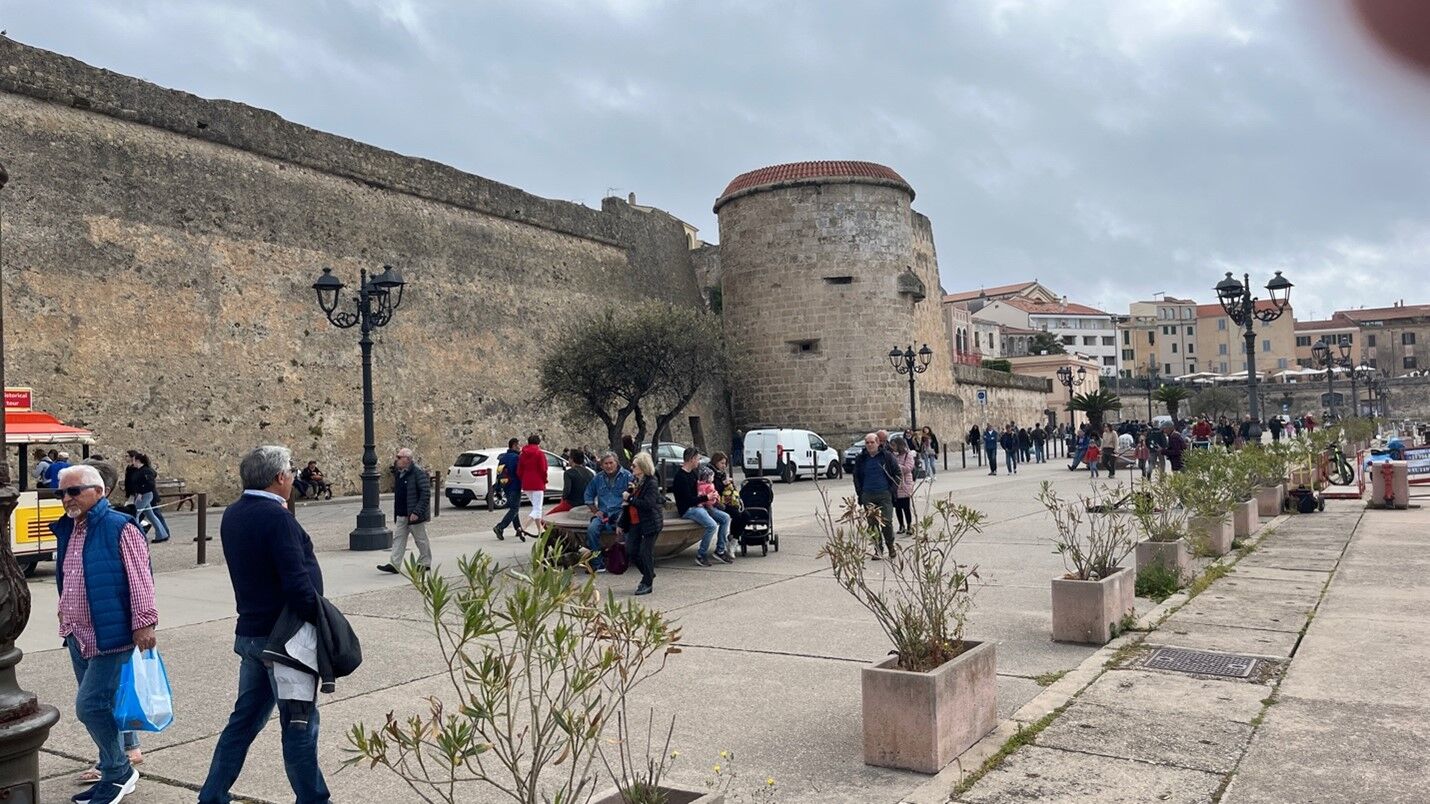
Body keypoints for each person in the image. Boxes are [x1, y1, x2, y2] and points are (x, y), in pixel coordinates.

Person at [200, 446, 330, 804]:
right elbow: (297, 583)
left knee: (244, 720)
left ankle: (212, 794)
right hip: (285, 639)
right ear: (279, 477)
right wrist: (319, 618)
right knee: (299, 725)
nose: (294, 476)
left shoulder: (234, 513)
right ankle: (314, 799)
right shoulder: (277, 518)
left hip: (252, 632)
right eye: (291, 470)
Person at [52, 464, 156, 804]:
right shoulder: (69, 528)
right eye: (61, 492)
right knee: (102, 706)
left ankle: (118, 771)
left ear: (99, 492)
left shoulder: (119, 526)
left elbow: (140, 576)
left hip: (110, 633)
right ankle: (112, 770)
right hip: (77, 634)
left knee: (90, 706)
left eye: (74, 491)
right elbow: (71, 574)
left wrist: (144, 622)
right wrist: (64, 610)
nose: (67, 498)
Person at [674, 447, 732, 566]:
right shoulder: (680, 477)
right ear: (691, 459)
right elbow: (688, 500)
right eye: (697, 459)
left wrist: (712, 496)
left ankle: (720, 550)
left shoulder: (693, 473)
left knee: (725, 518)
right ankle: (701, 554)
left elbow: (701, 490)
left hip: (701, 506)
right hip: (689, 509)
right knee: (711, 525)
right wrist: (707, 497)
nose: (699, 461)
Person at [377, 448, 431, 575]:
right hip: (402, 513)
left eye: (399, 457)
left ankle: (425, 562)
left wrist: (417, 512)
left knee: (421, 539)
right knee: (399, 538)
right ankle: (394, 564)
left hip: (414, 514)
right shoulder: (400, 473)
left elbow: (425, 493)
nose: (396, 460)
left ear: (407, 459)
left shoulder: (418, 472)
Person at [616, 452, 662, 595]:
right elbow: (627, 507)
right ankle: (649, 573)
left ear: (642, 467)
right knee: (631, 551)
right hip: (635, 522)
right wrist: (621, 524)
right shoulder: (635, 482)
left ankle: (647, 582)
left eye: (634, 466)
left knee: (645, 552)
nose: (632, 467)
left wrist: (630, 498)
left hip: (650, 522)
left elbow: (648, 504)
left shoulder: (651, 483)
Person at [584, 452, 633, 573]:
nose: (609, 466)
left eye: (611, 463)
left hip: (621, 512)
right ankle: (598, 563)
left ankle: (625, 559)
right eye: (606, 463)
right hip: (604, 513)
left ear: (616, 463)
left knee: (625, 528)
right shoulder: (597, 478)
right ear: (601, 465)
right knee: (592, 529)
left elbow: (634, 495)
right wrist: (595, 511)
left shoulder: (627, 476)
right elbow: (588, 495)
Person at [852, 433, 899, 557]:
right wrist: (860, 492)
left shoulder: (887, 456)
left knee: (886, 522)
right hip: (868, 494)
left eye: (872, 442)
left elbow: (897, 473)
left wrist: (892, 490)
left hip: (884, 494)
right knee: (872, 524)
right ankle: (878, 549)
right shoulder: (861, 458)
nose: (869, 445)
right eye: (867, 443)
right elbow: (856, 476)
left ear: (878, 443)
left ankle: (890, 546)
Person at [124, 451, 171, 544]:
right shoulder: (138, 470)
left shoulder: (146, 471)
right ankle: (162, 534)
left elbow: (150, 485)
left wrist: (141, 492)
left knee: (135, 514)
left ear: (138, 461)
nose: (133, 462)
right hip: (141, 494)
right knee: (151, 515)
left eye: (134, 460)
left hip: (145, 495)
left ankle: (136, 537)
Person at [492, 438, 525, 542]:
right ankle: (500, 527)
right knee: (514, 508)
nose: (520, 447)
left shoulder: (503, 458)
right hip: (514, 485)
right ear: (514, 445)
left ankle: (518, 528)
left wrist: (498, 487)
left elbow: (499, 472)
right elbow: (519, 472)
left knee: (513, 507)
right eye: (518, 445)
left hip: (505, 485)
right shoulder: (516, 457)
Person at [708, 452, 746, 542]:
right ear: (715, 462)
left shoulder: (721, 473)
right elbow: (713, 489)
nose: (724, 466)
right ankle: (731, 539)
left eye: (725, 463)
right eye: (722, 463)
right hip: (716, 503)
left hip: (726, 500)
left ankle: (734, 537)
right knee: (736, 514)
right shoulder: (710, 473)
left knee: (745, 515)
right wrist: (724, 484)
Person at [546, 449, 594, 517]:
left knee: (548, 517)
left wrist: (563, 498)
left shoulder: (569, 473)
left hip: (572, 503)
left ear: (571, 459)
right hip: (586, 503)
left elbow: (567, 490)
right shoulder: (590, 473)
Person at [517, 434, 549, 533]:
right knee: (537, 509)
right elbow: (543, 469)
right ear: (538, 443)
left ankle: (540, 530)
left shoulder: (522, 454)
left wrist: (523, 479)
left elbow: (519, 470)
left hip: (526, 483)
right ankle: (523, 528)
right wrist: (545, 480)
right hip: (538, 483)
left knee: (535, 507)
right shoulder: (540, 453)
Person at [891, 436, 915, 535]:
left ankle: (909, 525)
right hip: (895, 484)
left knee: (906, 507)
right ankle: (901, 525)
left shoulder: (907, 455)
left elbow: (908, 468)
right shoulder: (893, 455)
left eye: (894, 445)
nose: (893, 447)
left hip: (905, 484)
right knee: (897, 507)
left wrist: (897, 467)